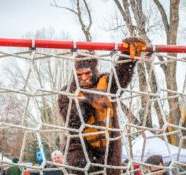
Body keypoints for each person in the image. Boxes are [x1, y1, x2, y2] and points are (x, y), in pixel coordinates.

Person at [58, 37, 146, 174]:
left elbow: (121, 76)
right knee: (81, 168)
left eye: (87, 73)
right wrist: (90, 101)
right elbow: (72, 122)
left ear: (95, 70)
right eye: (79, 75)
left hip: (109, 147)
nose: (84, 78)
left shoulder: (106, 84)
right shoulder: (67, 92)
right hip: (80, 147)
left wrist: (128, 56)